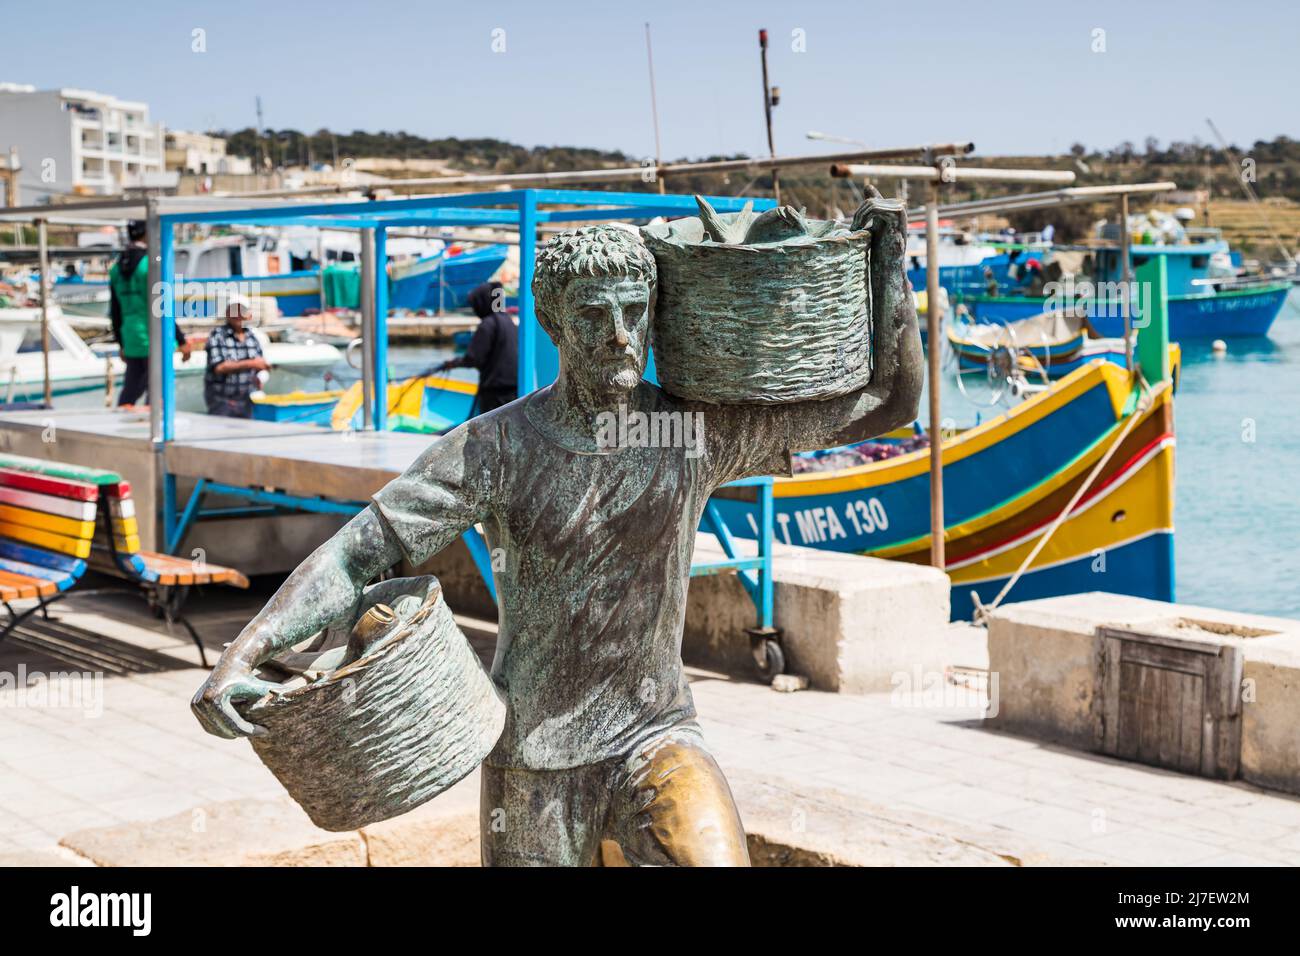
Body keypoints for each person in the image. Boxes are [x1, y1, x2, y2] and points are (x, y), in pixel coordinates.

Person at [192, 204, 923, 866]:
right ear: (553, 320)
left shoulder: (690, 434)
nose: (620, 337)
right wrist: (245, 653)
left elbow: (888, 403)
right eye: (594, 315)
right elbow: (359, 553)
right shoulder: (495, 450)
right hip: (532, 758)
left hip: (656, 734)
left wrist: (891, 269)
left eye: (636, 312)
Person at [109, 220, 192, 406]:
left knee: (130, 394)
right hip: (155, 339)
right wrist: (181, 340)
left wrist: (121, 343)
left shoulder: (116, 268)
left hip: (131, 338)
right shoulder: (150, 264)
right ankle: (155, 431)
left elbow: (115, 311)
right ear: (147, 233)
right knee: (158, 395)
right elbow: (163, 307)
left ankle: (124, 429)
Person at [437, 280, 518, 414]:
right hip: (514, 389)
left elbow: (473, 358)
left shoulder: (487, 325)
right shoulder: (508, 321)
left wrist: (453, 363)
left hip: (495, 392)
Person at [204, 301, 269, 418]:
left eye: (241, 313)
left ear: (248, 316)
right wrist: (251, 363)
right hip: (222, 402)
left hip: (248, 401)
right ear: (228, 314)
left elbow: (260, 363)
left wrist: (261, 375)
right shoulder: (218, 335)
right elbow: (220, 367)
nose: (238, 316)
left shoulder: (253, 337)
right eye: (234, 312)